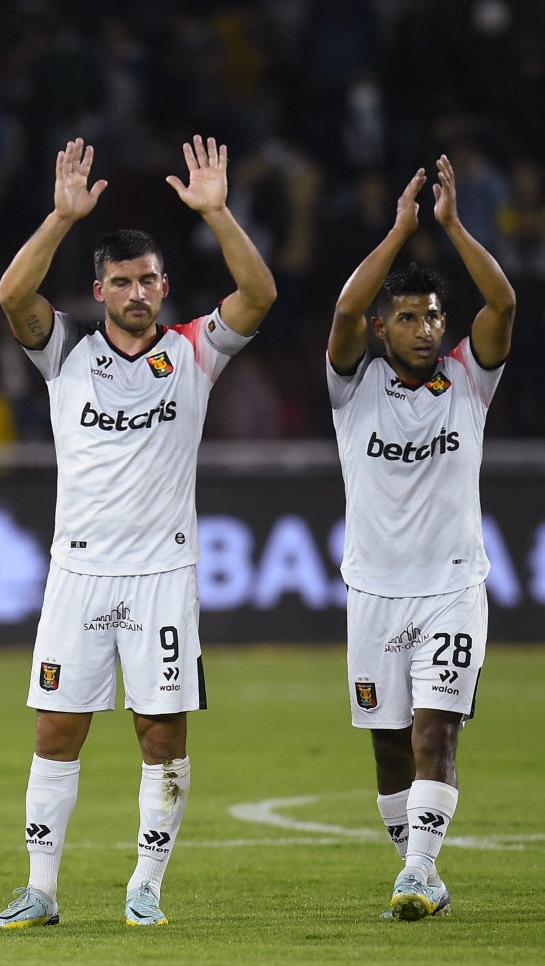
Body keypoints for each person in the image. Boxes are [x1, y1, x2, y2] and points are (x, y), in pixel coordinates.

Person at [0, 136, 275, 930]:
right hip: (78, 573)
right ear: (100, 289)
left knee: (160, 732)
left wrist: (217, 213)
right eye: (122, 282)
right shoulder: (66, 354)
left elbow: (259, 294)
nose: (137, 293)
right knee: (57, 728)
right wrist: (58, 215)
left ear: (164, 286)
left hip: (161, 574)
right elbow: (13, 295)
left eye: (148, 280)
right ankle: (41, 889)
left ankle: (145, 885)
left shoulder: (193, 354)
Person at [326, 157, 513, 921]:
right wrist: (400, 229)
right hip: (373, 590)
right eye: (407, 317)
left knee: (438, 732)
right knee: (388, 747)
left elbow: (501, 300)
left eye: (434, 316)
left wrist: (454, 229)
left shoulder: (471, 379)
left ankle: (417, 874)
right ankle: (419, 869)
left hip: (452, 588)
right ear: (383, 327)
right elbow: (340, 316)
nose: (426, 328)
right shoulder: (352, 386)